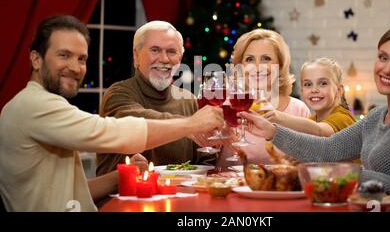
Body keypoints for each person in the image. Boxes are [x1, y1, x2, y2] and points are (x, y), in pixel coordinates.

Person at [0, 15, 224, 212]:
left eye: (82, 59)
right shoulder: (36, 106)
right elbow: (114, 130)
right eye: (64, 55)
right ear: (36, 59)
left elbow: (72, 194)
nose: (76, 67)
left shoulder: (40, 105)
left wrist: (124, 175)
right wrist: (191, 125)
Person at [241, 25, 390, 211]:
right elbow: (328, 150)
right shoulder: (377, 116)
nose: (387, 69)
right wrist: (272, 132)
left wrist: (361, 176)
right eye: (383, 57)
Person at [96, 21, 215, 177]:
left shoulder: (188, 100)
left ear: (180, 59)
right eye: (155, 50)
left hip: (179, 196)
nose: (164, 59)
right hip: (123, 198)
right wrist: (190, 125)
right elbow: (136, 122)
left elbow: (206, 161)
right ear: (136, 56)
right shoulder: (117, 94)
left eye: (172, 51)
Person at [216, 29, 310, 166]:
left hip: (279, 186)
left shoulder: (299, 110)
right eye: (250, 59)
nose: (258, 67)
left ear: (280, 65)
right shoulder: (227, 106)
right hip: (226, 185)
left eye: (266, 59)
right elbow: (206, 152)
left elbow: (309, 160)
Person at [264, 57, 356, 137]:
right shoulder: (311, 120)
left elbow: (319, 130)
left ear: (339, 90)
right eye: (308, 84)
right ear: (302, 90)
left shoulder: (343, 118)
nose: (314, 90)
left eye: (323, 83)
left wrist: (278, 116)